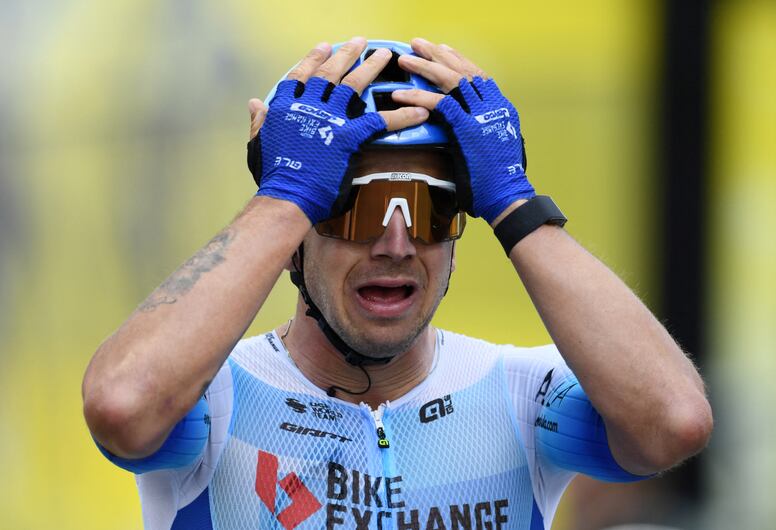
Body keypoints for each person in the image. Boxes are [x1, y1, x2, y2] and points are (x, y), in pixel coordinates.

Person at [82, 37, 713, 530]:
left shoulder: (521, 400)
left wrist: (516, 202)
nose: (396, 243)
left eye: (431, 208)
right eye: (359, 206)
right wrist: (282, 197)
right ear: (292, 238)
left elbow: (674, 422)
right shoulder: (214, 404)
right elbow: (122, 406)